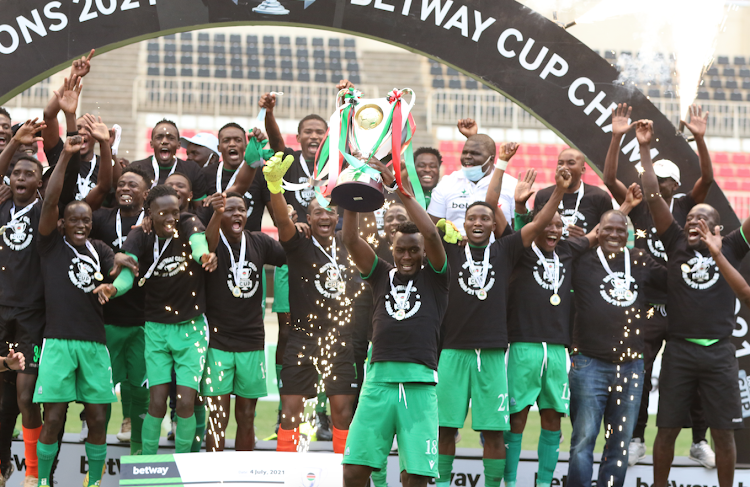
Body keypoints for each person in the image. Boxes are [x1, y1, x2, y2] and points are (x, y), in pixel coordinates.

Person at [436, 148, 574, 487]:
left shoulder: (506, 249)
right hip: (452, 351)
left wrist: (558, 189)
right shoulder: (450, 250)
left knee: (495, 432)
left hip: (494, 354)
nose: (480, 222)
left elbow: (540, 223)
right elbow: (426, 228)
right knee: (445, 428)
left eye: (486, 218)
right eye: (473, 219)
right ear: (463, 224)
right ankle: (440, 483)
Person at [638, 119, 750, 487]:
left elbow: (745, 292)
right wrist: (644, 149)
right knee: (666, 429)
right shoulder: (674, 243)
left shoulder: (731, 246)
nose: (692, 223)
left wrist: (701, 140)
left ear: (718, 228)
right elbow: (653, 196)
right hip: (680, 350)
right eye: (689, 219)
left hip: (719, 352)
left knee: (723, 435)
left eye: (701, 218)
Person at [603, 103, 716, 467]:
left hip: (683, 305)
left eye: (659, 179)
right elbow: (608, 180)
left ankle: (699, 440)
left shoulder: (685, 207)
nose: (649, 181)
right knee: (639, 370)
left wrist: (699, 140)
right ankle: (636, 437)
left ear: (674, 184)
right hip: (647, 304)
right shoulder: (638, 204)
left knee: (692, 375)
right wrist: (618, 135)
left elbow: (708, 181)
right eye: (648, 176)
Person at [340, 155, 447, 487]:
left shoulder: (436, 277)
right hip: (379, 381)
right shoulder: (380, 274)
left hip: (419, 383)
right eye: (400, 249)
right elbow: (350, 240)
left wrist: (399, 190)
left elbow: (429, 232)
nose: (406, 256)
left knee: (415, 476)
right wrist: (354, 193)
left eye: (413, 250)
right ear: (391, 247)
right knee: (355, 469)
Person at [503, 171, 615, 487]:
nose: (553, 230)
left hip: (557, 349)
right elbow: (518, 225)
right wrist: (522, 204)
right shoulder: (520, 251)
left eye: (558, 226)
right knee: (517, 418)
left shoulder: (567, 250)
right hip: (523, 345)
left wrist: (629, 205)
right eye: (548, 224)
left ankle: (543, 482)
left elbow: (596, 235)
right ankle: (510, 482)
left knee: (553, 418)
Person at [96, 184, 217, 455]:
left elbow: (199, 244)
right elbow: (129, 272)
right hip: (156, 329)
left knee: (186, 402)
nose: (171, 218)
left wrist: (204, 255)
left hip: (191, 328)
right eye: (164, 213)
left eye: (175, 211)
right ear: (149, 213)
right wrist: (114, 288)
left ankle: (185, 463)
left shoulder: (188, 222)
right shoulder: (140, 235)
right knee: (157, 402)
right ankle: (146, 464)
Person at [34, 134, 117, 487]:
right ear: (63, 224)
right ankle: (41, 481)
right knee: (52, 419)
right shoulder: (51, 244)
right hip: (57, 342)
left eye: (87, 220)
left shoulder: (101, 249)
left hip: (94, 344)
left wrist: (119, 278)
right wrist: (66, 157)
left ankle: (94, 481)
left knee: (98, 417)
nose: (82, 224)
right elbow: (51, 198)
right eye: (75, 220)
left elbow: (122, 273)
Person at [263, 152, 359, 454]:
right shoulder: (299, 245)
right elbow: (280, 219)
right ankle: (286, 470)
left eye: (330, 212)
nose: (325, 217)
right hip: (303, 337)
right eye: (318, 212)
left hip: (340, 338)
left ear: (337, 217)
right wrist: (276, 188)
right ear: (308, 218)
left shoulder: (349, 244)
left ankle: (343, 474)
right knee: (291, 412)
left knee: (343, 412)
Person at [567, 206, 666, 487]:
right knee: (582, 441)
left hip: (631, 366)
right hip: (589, 363)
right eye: (607, 229)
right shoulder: (582, 260)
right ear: (598, 231)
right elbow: (560, 252)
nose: (613, 234)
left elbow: (675, 281)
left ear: (628, 235)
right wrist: (585, 239)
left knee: (619, 444)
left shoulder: (640, 259)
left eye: (620, 230)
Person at [202, 191, 286, 451]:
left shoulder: (260, 242)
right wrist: (216, 212)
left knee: (247, 417)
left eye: (241, 210)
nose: (237, 214)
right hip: (217, 342)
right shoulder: (212, 244)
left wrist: (293, 226)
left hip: (251, 341)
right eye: (230, 210)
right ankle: (212, 477)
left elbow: (289, 255)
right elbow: (208, 242)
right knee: (217, 417)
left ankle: (242, 474)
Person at [89, 166, 151, 455]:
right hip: (106, 319)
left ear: (146, 193)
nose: (126, 188)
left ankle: (137, 449)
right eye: (122, 184)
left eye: (133, 185)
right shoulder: (101, 219)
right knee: (102, 389)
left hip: (143, 320)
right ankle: (94, 444)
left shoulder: (153, 223)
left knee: (139, 388)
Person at [0, 118, 47, 487]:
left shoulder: (45, 212)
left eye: (28, 173)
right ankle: (4, 468)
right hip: (0, 313)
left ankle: (33, 471)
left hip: (32, 315)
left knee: (26, 395)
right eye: (15, 172)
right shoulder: (0, 206)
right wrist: (14, 141)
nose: (20, 178)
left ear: (39, 182)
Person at [427, 130, 518, 232]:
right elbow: (433, 229)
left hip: (498, 247)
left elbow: (517, 230)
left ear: (491, 159)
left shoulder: (512, 185)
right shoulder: (447, 183)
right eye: (465, 152)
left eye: (475, 153)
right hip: (453, 246)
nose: (468, 156)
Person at [521, 147, 612, 239]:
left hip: (587, 252)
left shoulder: (600, 197)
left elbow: (607, 234)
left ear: (583, 170)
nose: (564, 167)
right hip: (551, 252)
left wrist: (585, 240)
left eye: (571, 163)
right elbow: (534, 231)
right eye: (560, 163)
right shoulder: (543, 195)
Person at [200, 124, 270, 232]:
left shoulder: (261, 173)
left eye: (238, 140)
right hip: (216, 243)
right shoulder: (206, 173)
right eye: (226, 140)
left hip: (250, 244)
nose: (232, 144)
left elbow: (275, 214)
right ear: (219, 148)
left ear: (246, 145)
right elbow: (201, 211)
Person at [129, 119, 209, 206]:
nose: (165, 141)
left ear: (178, 144)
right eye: (159, 137)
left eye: (171, 138)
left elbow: (199, 209)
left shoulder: (192, 169)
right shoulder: (136, 168)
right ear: (151, 143)